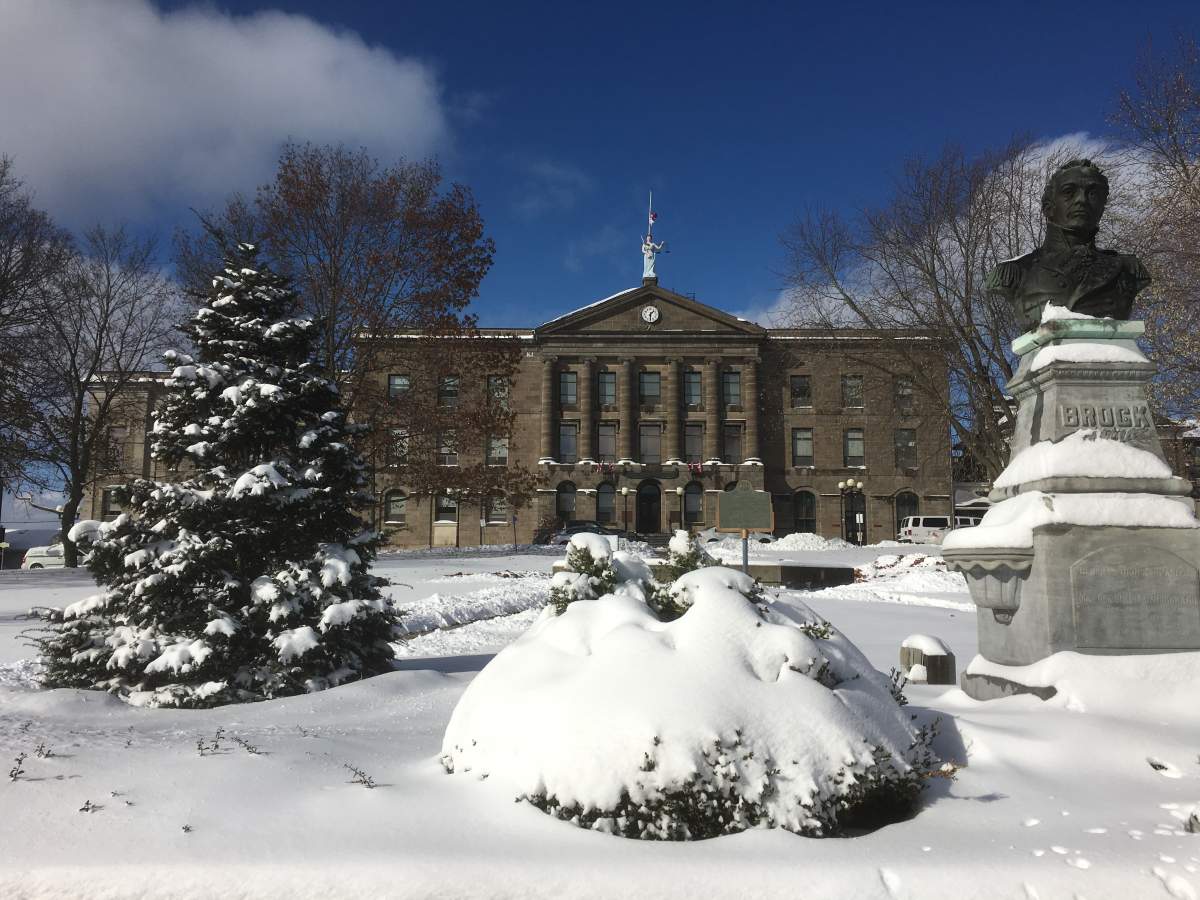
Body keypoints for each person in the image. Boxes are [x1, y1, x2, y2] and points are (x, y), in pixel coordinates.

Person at [987, 159, 1150, 332]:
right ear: (1048, 207)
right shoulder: (1014, 273)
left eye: (1093, 194)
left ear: (1102, 207)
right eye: (1069, 192)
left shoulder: (1129, 269)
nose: (1081, 200)